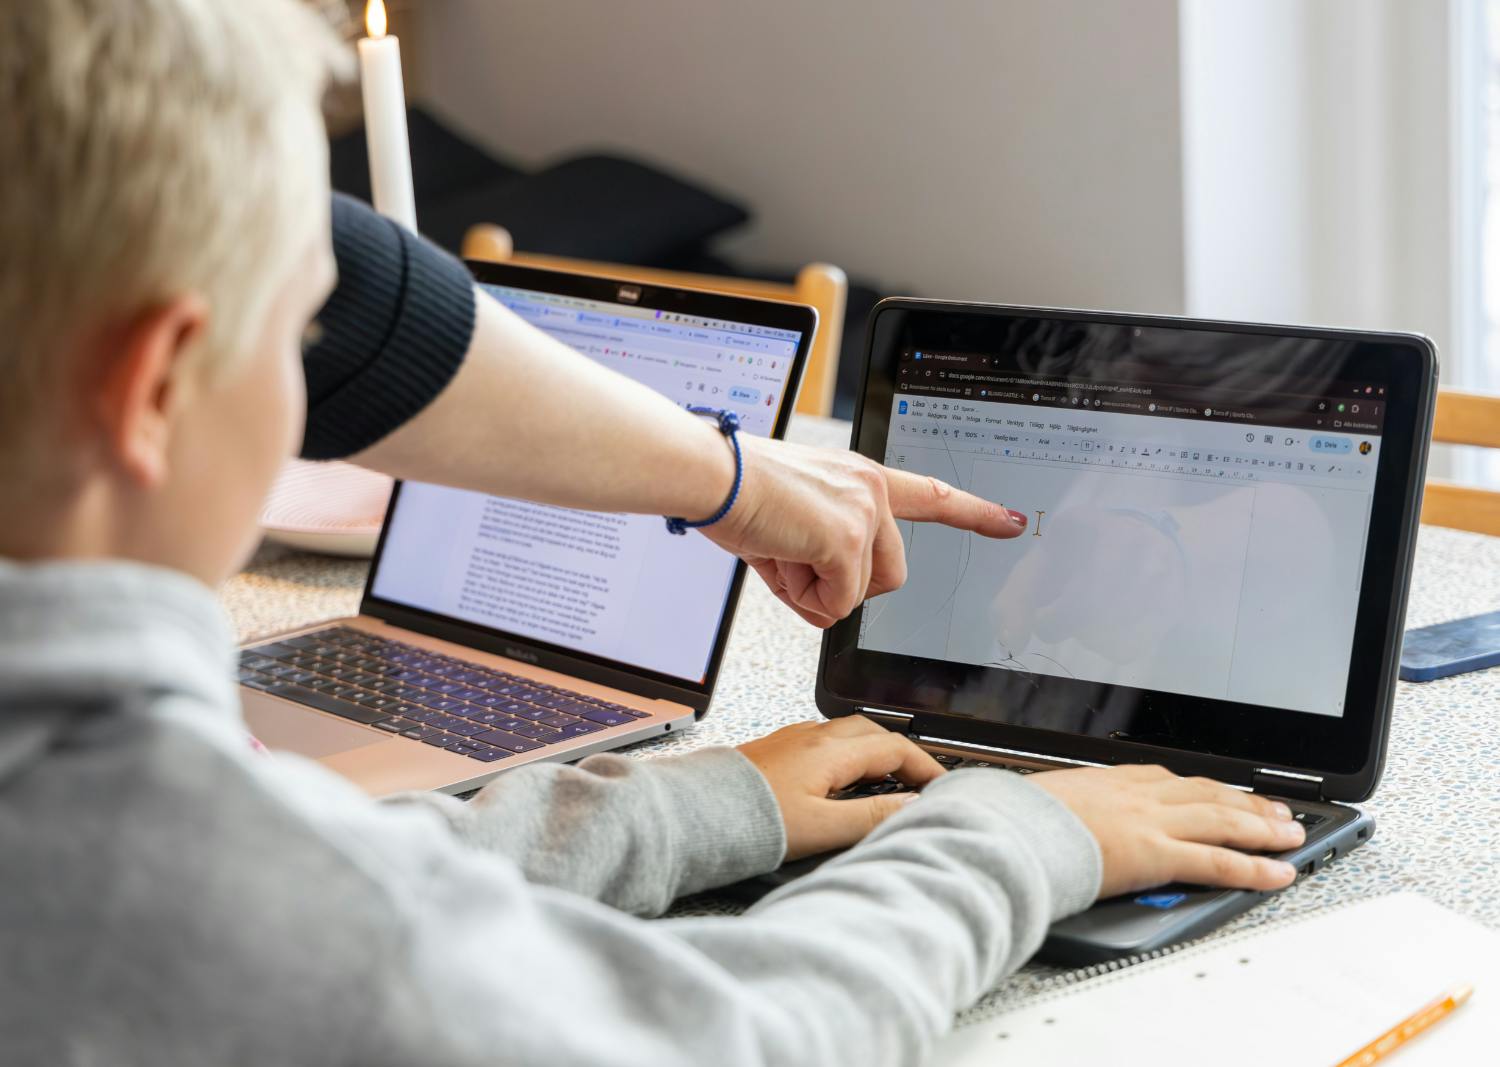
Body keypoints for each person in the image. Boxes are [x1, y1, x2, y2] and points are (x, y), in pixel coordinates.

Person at [0, 2, 1306, 1064]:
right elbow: (738, 1035)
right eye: (299, 339)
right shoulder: (124, 834)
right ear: (159, 386)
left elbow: (319, 886)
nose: (322, 387)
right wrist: (1015, 837)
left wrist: (698, 806)